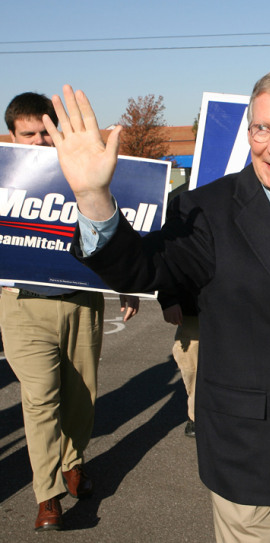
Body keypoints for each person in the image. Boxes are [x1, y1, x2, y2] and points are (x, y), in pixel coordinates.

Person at [44, 67, 270, 542]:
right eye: (261, 128)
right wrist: (93, 197)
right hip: (248, 450)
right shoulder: (206, 210)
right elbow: (143, 268)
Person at [0, 92, 139, 532]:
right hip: (22, 306)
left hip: (82, 302)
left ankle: (73, 462)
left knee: (81, 396)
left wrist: (128, 283)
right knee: (40, 398)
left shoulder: (86, 171)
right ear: (12, 135)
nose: (41, 139)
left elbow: (118, 226)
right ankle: (48, 495)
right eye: (30, 133)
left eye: (46, 130)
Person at [159, 288, 199, 437]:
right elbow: (168, 265)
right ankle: (196, 416)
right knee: (192, 365)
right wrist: (168, 299)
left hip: (236, 304)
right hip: (193, 307)